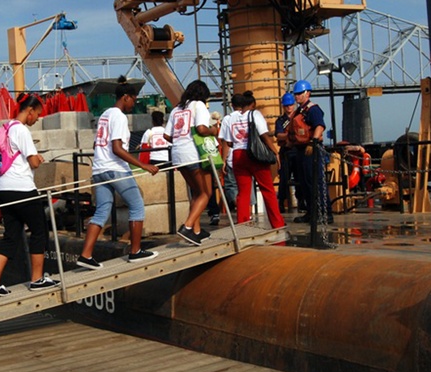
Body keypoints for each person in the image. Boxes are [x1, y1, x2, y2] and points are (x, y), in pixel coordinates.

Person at [77, 78, 160, 269]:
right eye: (133, 99)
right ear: (125, 97)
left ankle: (86, 255)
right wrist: (143, 165)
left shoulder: (105, 114)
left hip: (99, 169)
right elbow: (117, 148)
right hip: (115, 169)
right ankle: (135, 251)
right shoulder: (120, 117)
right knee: (137, 204)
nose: (134, 104)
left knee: (102, 211)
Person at [0, 93, 55, 296]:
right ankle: (37, 279)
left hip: (1, 189)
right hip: (22, 189)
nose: (37, 119)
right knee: (39, 231)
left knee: (11, 235)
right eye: (37, 114)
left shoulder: (5, 129)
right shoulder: (21, 130)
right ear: (29, 111)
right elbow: (32, 162)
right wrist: (39, 159)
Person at [164, 80, 216, 245]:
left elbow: (166, 135)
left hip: (178, 156)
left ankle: (196, 231)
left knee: (196, 193)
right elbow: (201, 128)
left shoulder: (176, 109)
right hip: (194, 154)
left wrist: (181, 138)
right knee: (206, 193)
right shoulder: (198, 105)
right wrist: (214, 131)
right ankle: (187, 226)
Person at [222, 91, 285, 228]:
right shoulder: (255, 114)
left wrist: (224, 160)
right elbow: (264, 135)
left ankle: (242, 224)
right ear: (252, 105)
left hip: (238, 155)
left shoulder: (230, 119)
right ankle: (277, 223)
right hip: (254, 155)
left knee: (243, 193)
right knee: (267, 189)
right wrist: (275, 152)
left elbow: (228, 142)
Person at [290, 80, 333, 225]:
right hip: (301, 150)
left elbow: (319, 126)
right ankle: (312, 212)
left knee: (316, 182)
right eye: (295, 94)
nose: (297, 97)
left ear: (307, 93)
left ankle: (325, 214)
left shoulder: (313, 109)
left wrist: (312, 143)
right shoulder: (299, 111)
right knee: (305, 183)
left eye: (299, 94)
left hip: (312, 150)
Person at [275, 92, 301, 213]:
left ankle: (302, 201)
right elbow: (278, 135)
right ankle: (281, 202)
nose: (289, 107)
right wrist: (290, 136)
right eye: (286, 105)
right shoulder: (281, 120)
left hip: (298, 150)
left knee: (300, 177)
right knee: (284, 178)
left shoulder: (300, 117)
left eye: (290, 105)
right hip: (286, 151)